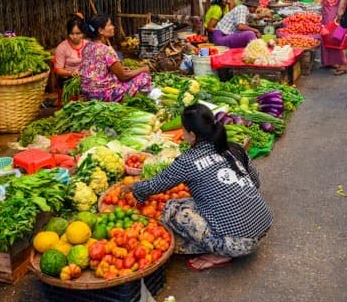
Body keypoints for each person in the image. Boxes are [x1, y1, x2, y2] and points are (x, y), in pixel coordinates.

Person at [128, 103, 272, 271]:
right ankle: (227, 241)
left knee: (173, 209)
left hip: (240, 244)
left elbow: (157, 184)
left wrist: (134, 188)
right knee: (196, 202)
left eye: (183, 130)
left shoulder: (188, 161)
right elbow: (255, 182)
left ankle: (221, 253)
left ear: (192, 135)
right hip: (263, 225)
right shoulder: (232, 148)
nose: (182, 134)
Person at [79, 14, 151, 102]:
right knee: (144, 77)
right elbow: (123, 77)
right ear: (101, 30)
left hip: (87, 94)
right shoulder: (106, 50)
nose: (113, 27)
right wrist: (143, 69)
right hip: (103, 96)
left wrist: (118, 70)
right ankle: (136, 103)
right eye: (109, 25)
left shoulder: (87, 46)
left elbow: (97, 70)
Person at [53, 14, 85, 81]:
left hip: (86, 77)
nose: (75, 36)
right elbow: (58, 70)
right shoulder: (62, 48)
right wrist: (70, 73)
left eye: (78, 33)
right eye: (71, 33)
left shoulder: (88, 45)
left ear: (83, 33)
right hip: (69, 79)